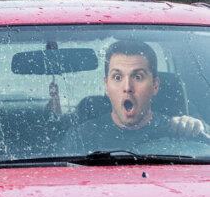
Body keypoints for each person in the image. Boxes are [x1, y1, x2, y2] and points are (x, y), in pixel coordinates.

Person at [66, 39, 206, 152]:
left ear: (155, 86)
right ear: (107, 85)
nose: (127, 87)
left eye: (138, 77)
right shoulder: (81, 138)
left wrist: (195, 129)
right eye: (117, 77)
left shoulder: (179, 131)